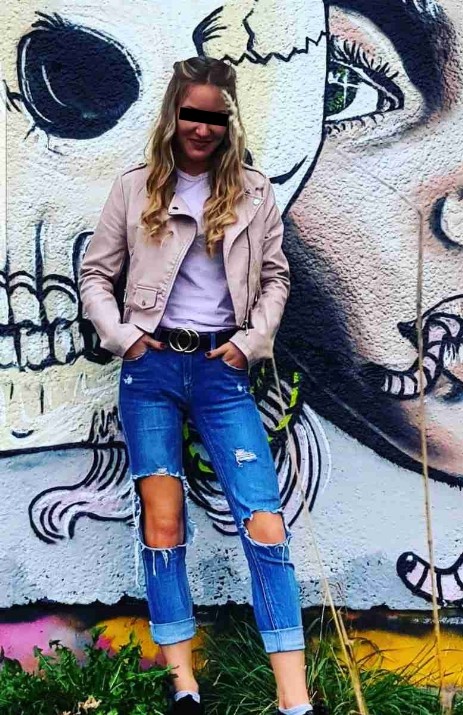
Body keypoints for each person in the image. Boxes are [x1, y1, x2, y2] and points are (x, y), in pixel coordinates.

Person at [78, 56, 313, 715]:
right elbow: (95, 275)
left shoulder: (254, 192)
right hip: (150, 372)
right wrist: (124, 335)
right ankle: (184, 686)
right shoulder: (134, 189)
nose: (202, 128)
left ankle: (294, 700)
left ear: (228, 121)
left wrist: (250, 341)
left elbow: (276, 277)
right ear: (172, 115)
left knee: (264, 521)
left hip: (222, 369)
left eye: (215, 117)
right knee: (162, 522)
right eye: (191, 114)